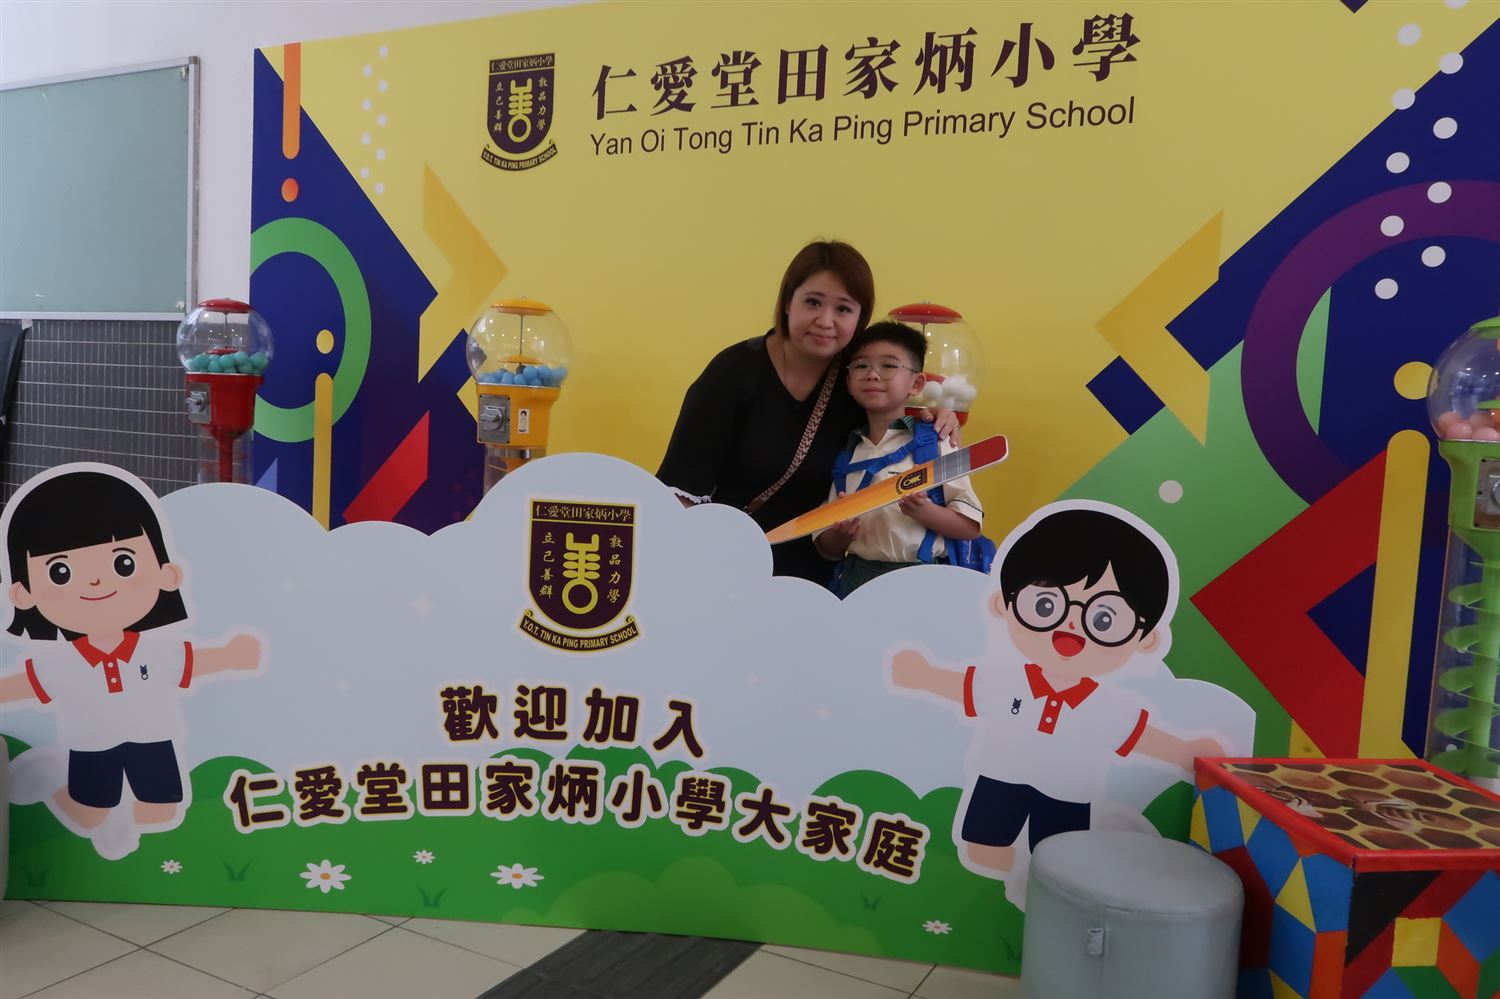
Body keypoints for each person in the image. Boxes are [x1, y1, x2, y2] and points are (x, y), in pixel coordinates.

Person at [889, 505, 1224, 889]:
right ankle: (987, 891)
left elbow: (1141, 737)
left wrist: (1186, 750)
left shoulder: (1109, 707)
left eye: (1103, 619)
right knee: (984, 848)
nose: (1071, 626)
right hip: (1001, 778)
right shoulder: (1008, 681)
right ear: (1004, 604)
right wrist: (924, 675)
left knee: (1060, 859)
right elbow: (965, 687)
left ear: (1145, 639)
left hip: (1067, 793)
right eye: (1046, 605)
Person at [1, 465, 261, 859]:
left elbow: (192, 663)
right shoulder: (63, 661)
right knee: (87, 814)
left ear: (167, 573)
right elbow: (25, 684)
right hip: (90, 746)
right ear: (23, 594)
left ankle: (120, 819)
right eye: (61, 571)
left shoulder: (154, 649)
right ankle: (51, 776)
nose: (95, 583)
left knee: (163, 810)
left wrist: (229, 656)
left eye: (123, 563)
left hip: (152, 739)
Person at [657, 240, 957, 582]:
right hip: (721, 563)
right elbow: (680, 489)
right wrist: (690, 569)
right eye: (813, 302)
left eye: (843, 309)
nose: (825, 321)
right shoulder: (734, 371)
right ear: (788, 302)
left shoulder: (856, 378)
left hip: (815, 577)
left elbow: (893, 423)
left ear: (860, 317)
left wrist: (934, 416)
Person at [812, 321, 983, 596]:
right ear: (849, 382)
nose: (872, 374)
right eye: (861, 366)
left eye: (889, 365)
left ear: (916, 383)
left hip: (923, 583)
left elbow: (970, 526)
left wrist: (923, 512)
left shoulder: (939, 442)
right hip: (855, 581)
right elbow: (826, 547)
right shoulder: (848, 452)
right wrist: (839, 535)